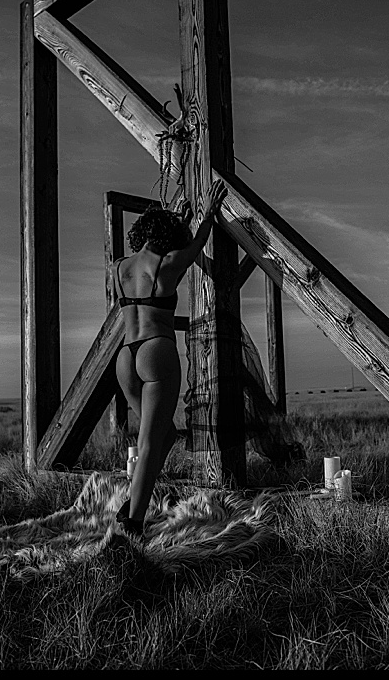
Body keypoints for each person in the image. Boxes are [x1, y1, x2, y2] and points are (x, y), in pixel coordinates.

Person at [113, 178, 228, 536]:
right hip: (155, 351)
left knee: (163, 436)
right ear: (168, 236)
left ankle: (131, 502)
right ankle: (133, 522)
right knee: (150, 441)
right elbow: (197, 244)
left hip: (125, 358)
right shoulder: (168, 264)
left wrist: (179, 216)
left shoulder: (120, 267)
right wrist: (205, 215)